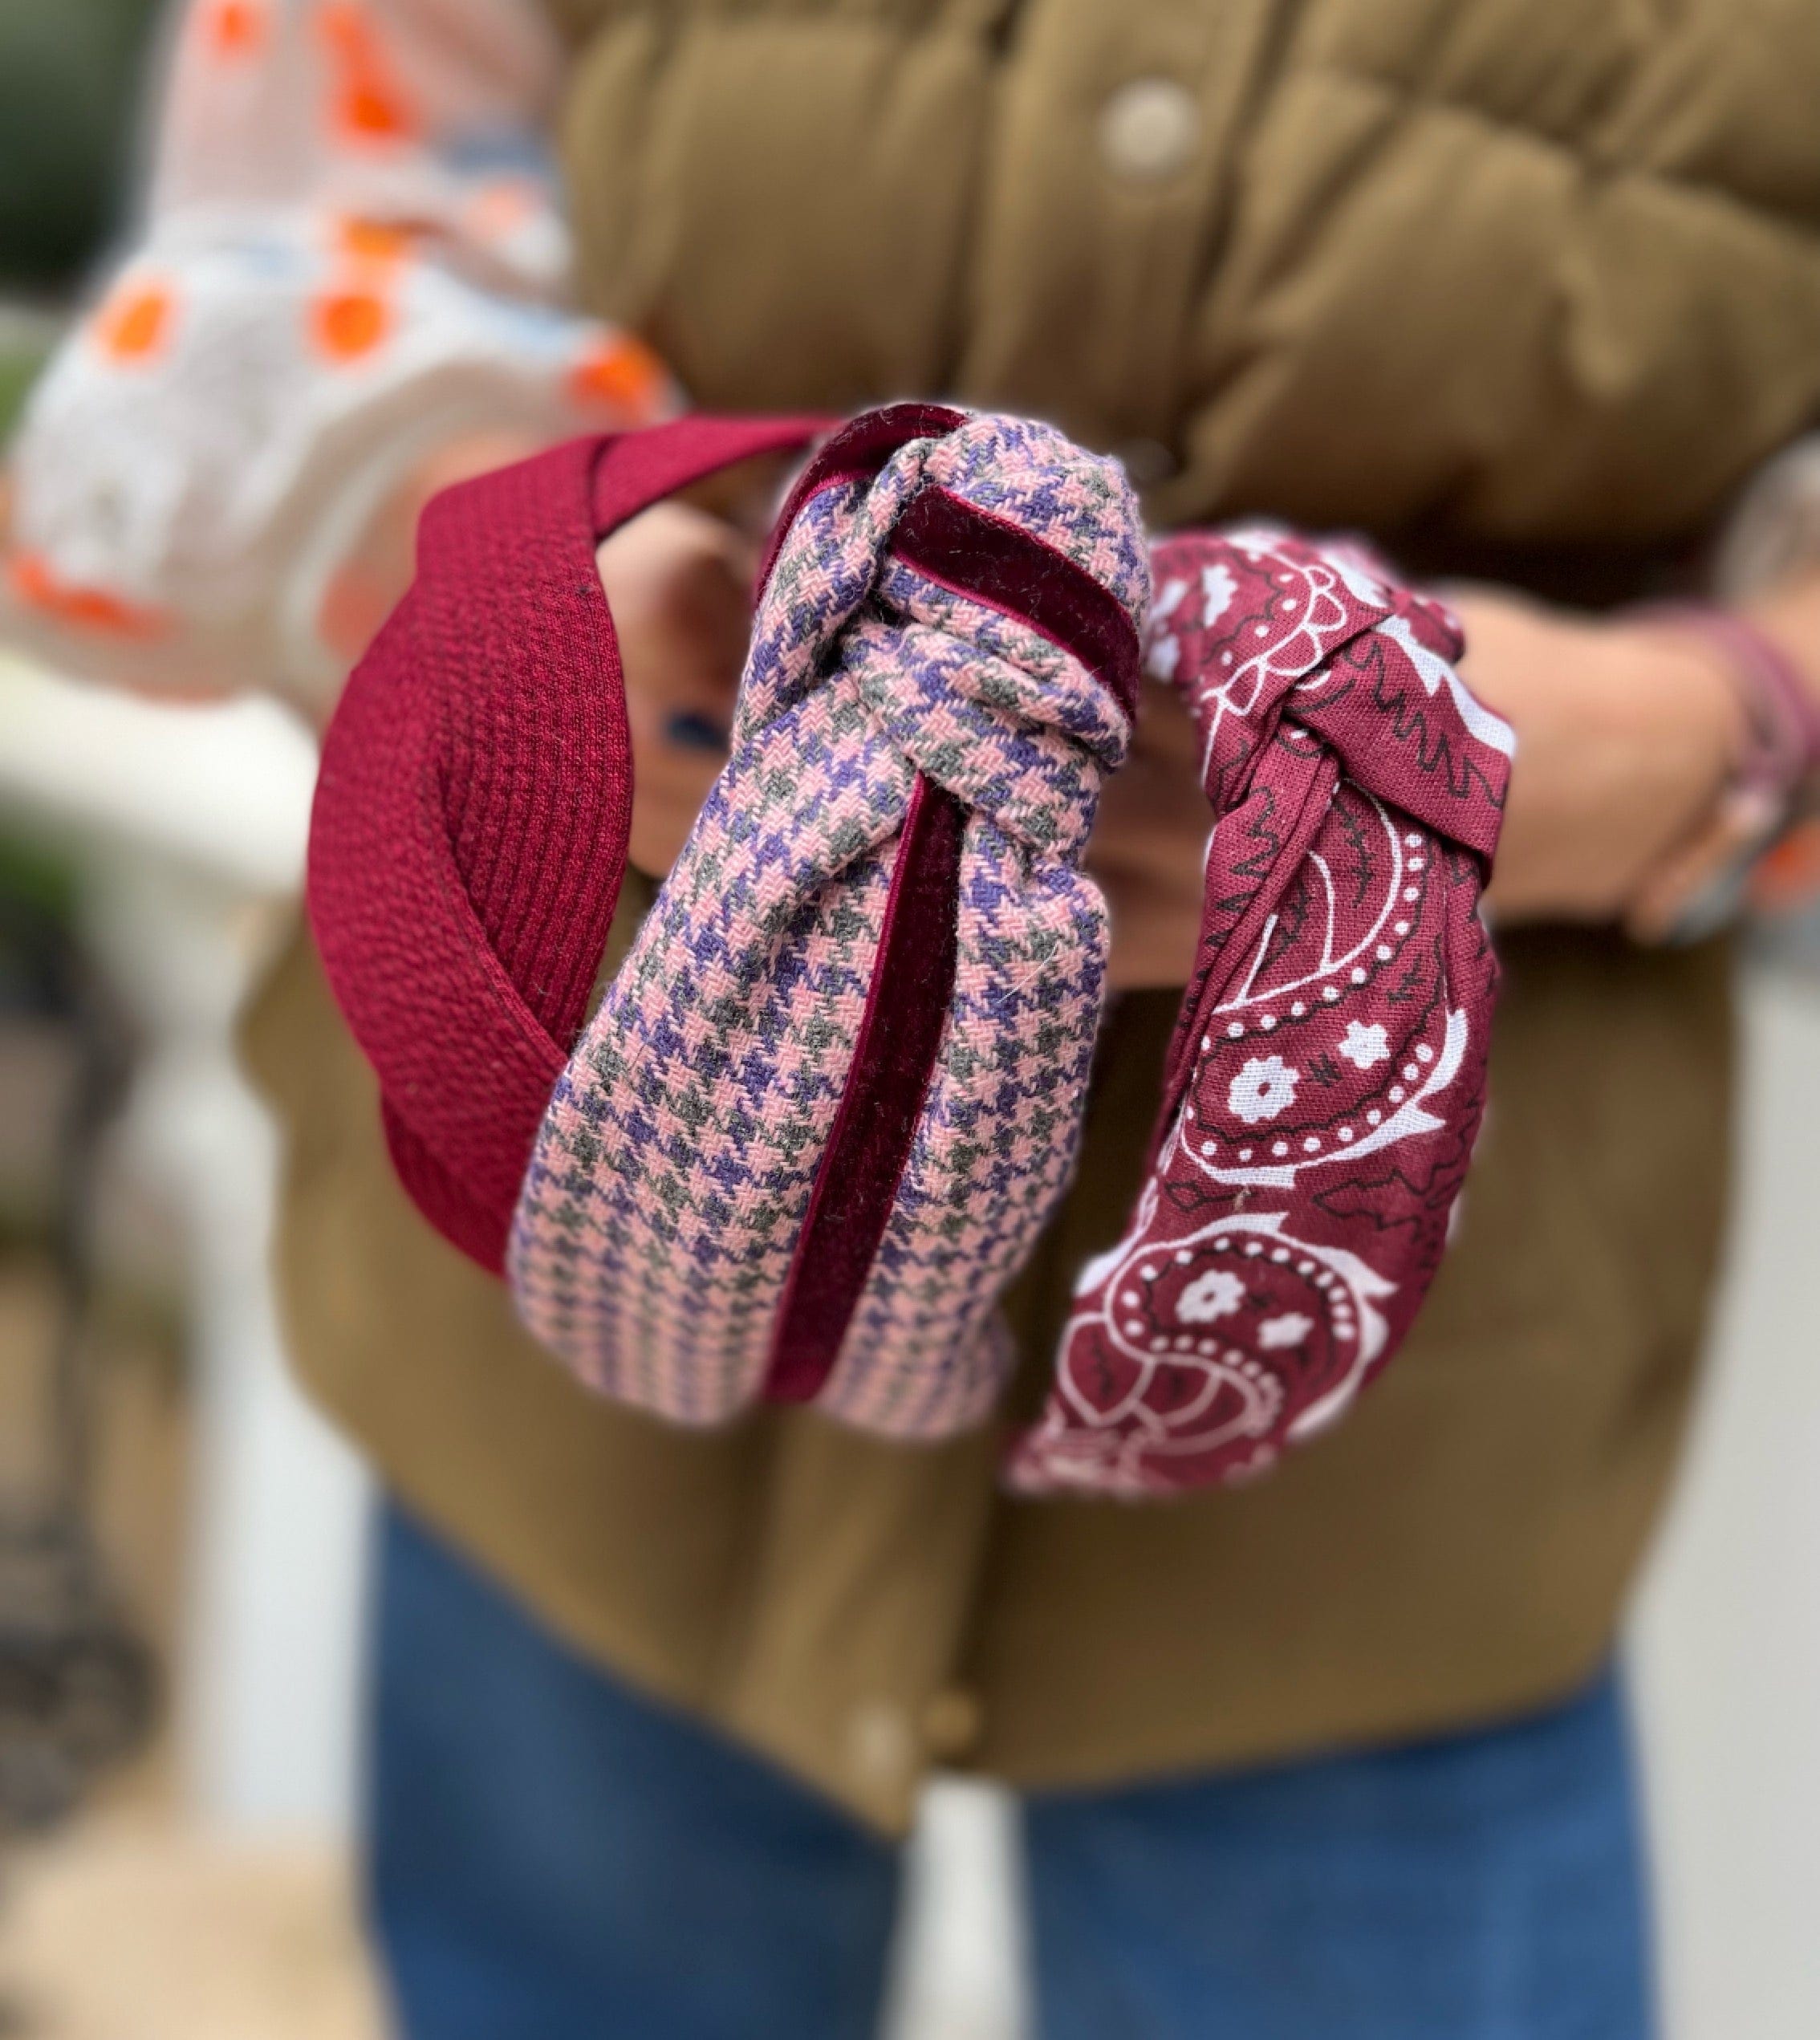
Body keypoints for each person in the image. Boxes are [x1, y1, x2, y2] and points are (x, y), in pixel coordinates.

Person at [7, 0, 1820, 2033]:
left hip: (1393, 1481)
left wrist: (1682, 743)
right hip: (580, 1317)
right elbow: (317, 196)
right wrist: (504, 560)